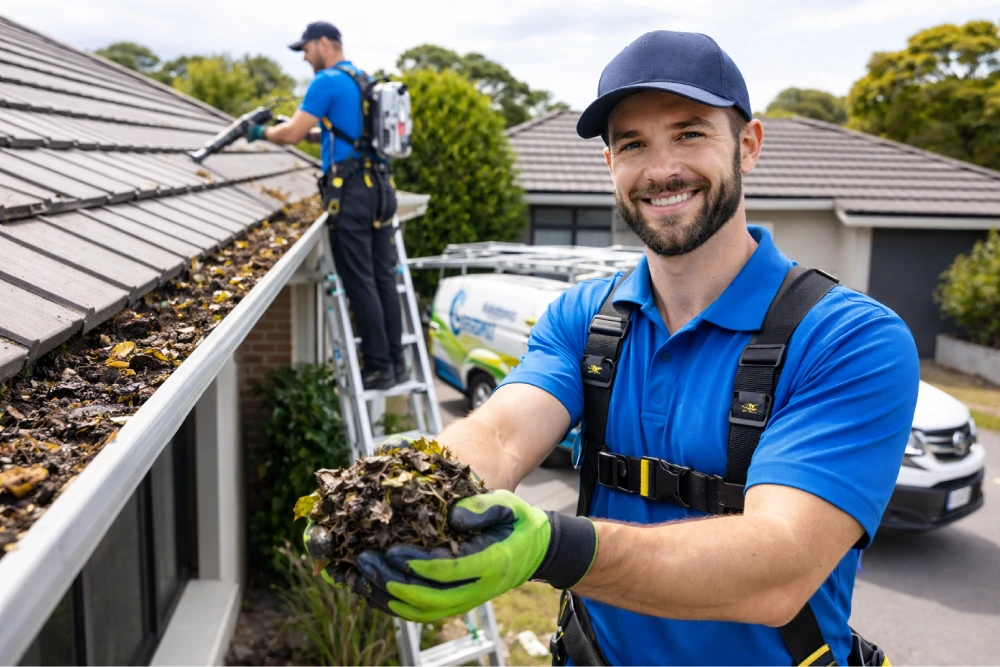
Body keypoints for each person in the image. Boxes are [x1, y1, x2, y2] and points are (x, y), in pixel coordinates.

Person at [327, 31, 919, 665]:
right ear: (610, 165)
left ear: (748, 145)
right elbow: (499, 436)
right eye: (633, 144)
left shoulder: (849, 340)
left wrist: (552, 548)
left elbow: (778, 566)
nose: (661, 170)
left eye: (689, 133)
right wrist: (396, 495)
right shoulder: (584, 317)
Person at [252, 21, 405, 390]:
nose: (304, 57)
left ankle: (378, 369)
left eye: (305, 49)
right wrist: (310, 132)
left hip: (351, 193)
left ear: (324, 43)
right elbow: (347, 132)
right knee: (384, 278)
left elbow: (290, 134)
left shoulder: (326, 82)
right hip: (382, 189)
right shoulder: (362, 79)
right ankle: (396, 364)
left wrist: (259, 133)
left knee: (360, 281)